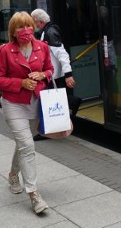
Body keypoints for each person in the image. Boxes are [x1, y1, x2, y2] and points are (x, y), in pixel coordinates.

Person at [0, 11, 54, 214]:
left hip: (36, 103)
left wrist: (43, 74)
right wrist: (20, 83)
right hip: (14, 103)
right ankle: (34, 195)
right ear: (13, 32)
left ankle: (13, 174)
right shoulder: (5, 51)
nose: (25, 30)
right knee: (28, 146)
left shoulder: (42, 47)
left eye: (28, 26)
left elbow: (51, 70)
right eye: (20, 27)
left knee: (23, 144)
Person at [30, 8, 80, 142]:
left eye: (34, 23)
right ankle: (49, 129)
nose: (34, 26)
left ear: (40, 22)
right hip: (50, 74)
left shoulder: (50, 32)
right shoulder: (47, 31)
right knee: (50, 100)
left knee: (47, 101)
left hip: (52, 75)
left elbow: (62, 54)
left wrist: (68, 74)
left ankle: (46, 131)